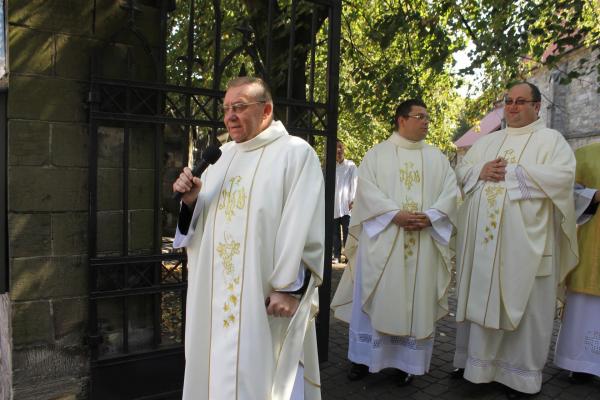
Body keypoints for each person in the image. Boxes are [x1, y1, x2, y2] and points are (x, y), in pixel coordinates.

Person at [172, 77, 324, 400]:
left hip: (265, 300)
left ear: (266, 109)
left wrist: (289, 288)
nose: (230, 116)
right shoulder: (221, 157)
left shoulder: (295, 155)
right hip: (216, 301)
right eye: (227, 108)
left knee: (263, 381)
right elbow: (203, 231)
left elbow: (303, 224)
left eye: (239, 107)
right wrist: (191, 203)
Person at [453, 82, 579, 398]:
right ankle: (479, 368)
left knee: (528, 311)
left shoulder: (552, 141)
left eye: (521, 101)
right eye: (509, 100)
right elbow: (462, 170)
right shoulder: (488, 141)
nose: (512, 106)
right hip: (485, 246)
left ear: (537, 107)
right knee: (483, 305)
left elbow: (563, 178)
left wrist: (512, 174)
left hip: (527, 249)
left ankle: (519, 377)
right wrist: (480, 170)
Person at [331, 99, 458, 385]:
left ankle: (405, 364)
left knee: (414, 301)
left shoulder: (437, 158)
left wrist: (432, 216)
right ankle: (363, 359)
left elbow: (451, 193)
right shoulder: (376, 155)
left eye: (427, 117)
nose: (426, 121)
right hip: (382, 242)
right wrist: (394, 215)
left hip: (423, 241)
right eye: (420, 116)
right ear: (401, 120)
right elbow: (366, 193)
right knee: (374, 298)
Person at [554, 142, 600, 383]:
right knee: (585, 306)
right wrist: (594, 196)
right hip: (591, 241)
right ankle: (580, 363)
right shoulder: (585, 154)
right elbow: (567, 192)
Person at [332, 139, 357, 264]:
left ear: (344, 149)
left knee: (347, 231)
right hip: (334, 204)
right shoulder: (330, 166)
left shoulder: (350, 165)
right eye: (336, 148)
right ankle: (336, 255)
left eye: (340, 147)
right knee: (335, 232)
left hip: (347, 204)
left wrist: (353, 199)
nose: (338, 150)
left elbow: (355, 182)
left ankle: (348, 255)